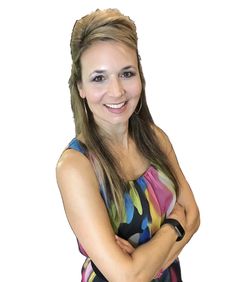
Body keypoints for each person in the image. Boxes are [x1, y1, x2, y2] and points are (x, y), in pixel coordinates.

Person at [56, 8, 200, 282]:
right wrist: (174, 226)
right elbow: (127, 278)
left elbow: (193, 215)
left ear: (140, 77)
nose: (117, 91)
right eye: (99, 77)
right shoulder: (76, 166)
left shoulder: (155, 139)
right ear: (80, 88)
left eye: (126, 73)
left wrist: (140, 264)